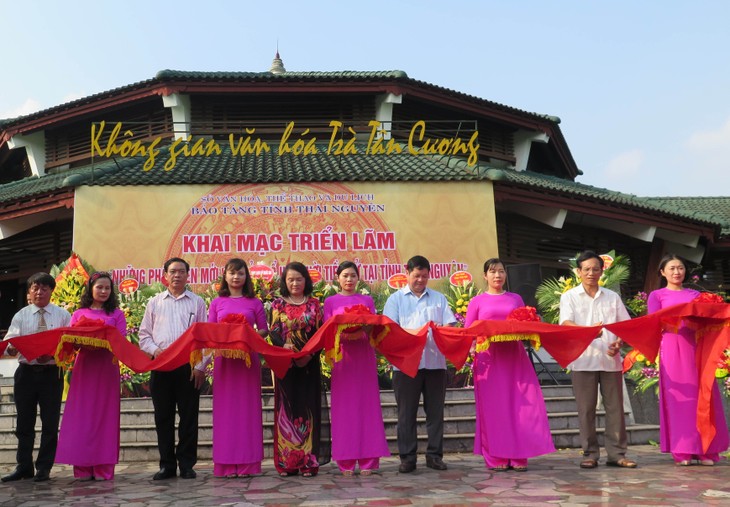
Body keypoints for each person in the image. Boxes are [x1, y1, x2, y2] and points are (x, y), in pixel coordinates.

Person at [464, 258, 555, 472]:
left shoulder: (516, 298)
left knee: (521, 406)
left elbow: (524, 325)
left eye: (501, 271)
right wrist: (469, 350)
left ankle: (519, 454)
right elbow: (468, 331)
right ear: (485, 276)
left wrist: (534, 322)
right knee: (493, 408)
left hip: (515, 356)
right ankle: (496, 456)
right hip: (488, 358)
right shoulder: (477, 301)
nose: (497, 276)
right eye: (493, 272)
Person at [647, 253, 729, 466]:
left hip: (698, 346)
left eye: (680, 268)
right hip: (673, 347)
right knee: (680, 399)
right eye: (672, 268)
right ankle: (683, 450)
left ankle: (705, 450)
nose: (677, 272)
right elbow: (654, 324)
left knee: (704, 395)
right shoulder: (657, 296)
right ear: (662, 272)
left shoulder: (695, 295)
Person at [559, 250, 636, 469]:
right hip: (582, 360)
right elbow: (566, 324)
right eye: (586, 269)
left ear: (602, 271)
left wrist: (619, 342)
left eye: (595, 269)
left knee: (615, 408)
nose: (591, 273)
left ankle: (617, 454)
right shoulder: (569, 296)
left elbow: (625, 326)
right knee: (586, 408)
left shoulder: (612, 297)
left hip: (611, 360)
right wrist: (590, 331)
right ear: (578, 272)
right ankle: (590, 453)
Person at [383, 255, 457, 473]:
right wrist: (415, 334)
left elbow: (449, 326)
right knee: (406, 414)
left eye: (425, 276)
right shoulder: (395, 300)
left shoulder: (438, 299)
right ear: (407, 273)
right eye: (416, 276)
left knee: (435, 413)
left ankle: (434, 456)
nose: (420, 280)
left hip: (435, 363)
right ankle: (407, 458)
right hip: (406, 366)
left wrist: (449, 334)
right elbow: (391, 330)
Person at [138, 257, 207, 480]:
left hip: (188, 368)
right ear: (165, 275)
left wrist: (200, 367)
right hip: (161, 366)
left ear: (188, 275)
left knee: (189, 417)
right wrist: (156, 351)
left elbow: (204, 339)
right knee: (163, 417)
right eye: (173, 271)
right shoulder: (155, 302)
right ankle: (167, 465)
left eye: (181, 272)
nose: (177, 275)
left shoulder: (197, 302)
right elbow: (144, 335)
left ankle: (187, 464)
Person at [55, 272, 127, 480]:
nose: (104, 291)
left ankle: (104, 467)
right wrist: (82, 341)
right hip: (85, 368)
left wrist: (102, 340)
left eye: (107, 288)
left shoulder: (117, 314)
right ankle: (83, 467)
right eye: (99, 287)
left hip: (107, 367)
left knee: (106, 415)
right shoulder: (78, 314)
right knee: (83, 415)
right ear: (91, 289)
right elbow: (70, 340)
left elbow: (120, 342)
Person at [1, 272, 71, 482]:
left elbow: (69, 344)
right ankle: (24, 466)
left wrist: (53, 354)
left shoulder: (62, 315)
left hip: (51, 373)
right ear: (29, 292)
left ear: (51, 291)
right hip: (26, 374)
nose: (39, 292)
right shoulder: (21, 315)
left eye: (44, 288)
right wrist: (12, 349)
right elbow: (11, 340)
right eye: (35, 288)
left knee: (50, 422)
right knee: (24, 422)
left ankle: (44, 467)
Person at [323, 261, 389, 476]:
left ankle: (369, 460)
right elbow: (327, 330)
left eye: (352, 275)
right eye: (345, 275)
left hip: (364, 356)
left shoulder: (366, 299)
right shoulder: (330, 301)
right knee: (344, 409)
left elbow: (373, 326)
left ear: (358, 278)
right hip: (343, 359)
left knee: (367, 406)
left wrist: (363, 323)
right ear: (337, 278)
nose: (349, 279)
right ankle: (346, 460)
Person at [208, 258, 269, 478]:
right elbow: (211, 331)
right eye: (232, 273)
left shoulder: (255, 302)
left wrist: (245, 334)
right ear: (225, 276)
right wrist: (227, 334)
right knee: (225, 413)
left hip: (247, 361)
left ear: (246, 277)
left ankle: (248, 464)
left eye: (240, 273)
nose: (236, 277)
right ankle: (225, 463)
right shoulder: (217, 303)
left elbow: (264, 330)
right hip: (224, 361)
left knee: (247, 412)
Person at [269, 261, 325, 477]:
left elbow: (320, 334)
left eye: (299, 279)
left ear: (306, 280)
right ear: (285, 281)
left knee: (307, 410)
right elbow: (274, 332)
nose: (295, 283)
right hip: (286, 365)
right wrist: (284, 349)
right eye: (290, 279)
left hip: (308, 365)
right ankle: (286, 463)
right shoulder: (277, 304)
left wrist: (308, 356)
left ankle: (307, 462)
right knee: (286, 409)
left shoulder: (314, 304)